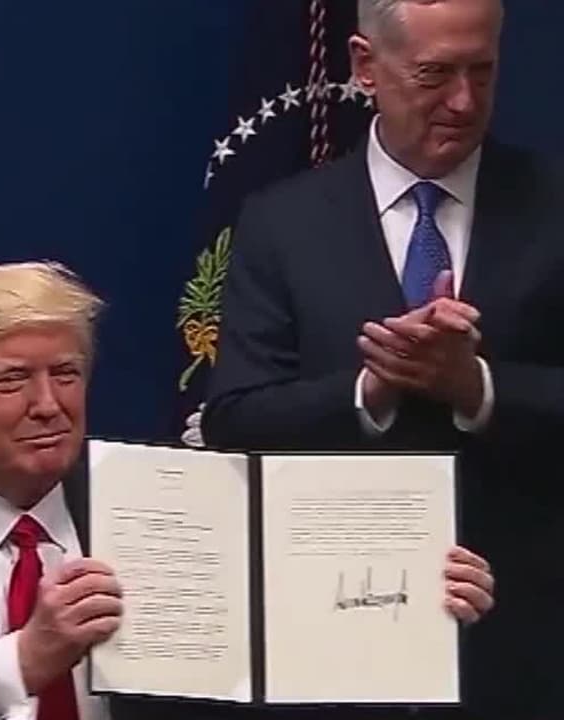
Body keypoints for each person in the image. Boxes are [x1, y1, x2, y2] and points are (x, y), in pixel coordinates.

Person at [0, 261, 495, 720]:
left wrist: (411, 608)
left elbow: (281, 659)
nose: (48, 405)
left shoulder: (170, 499)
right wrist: (25, 659)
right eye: (12, 381)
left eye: (66, 375)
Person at [203, 0, 559, 715]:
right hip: (337, 651)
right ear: (365, 65)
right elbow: (235, 419)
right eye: (435, 75)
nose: (464, 102)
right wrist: (371, 389)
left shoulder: (553, 206)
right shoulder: (283, 222)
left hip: (528, 650)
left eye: (482, 72)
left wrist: (476, 387)